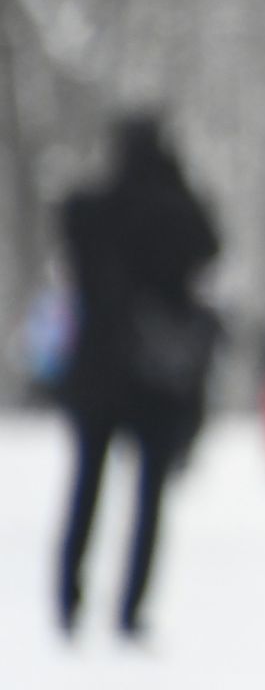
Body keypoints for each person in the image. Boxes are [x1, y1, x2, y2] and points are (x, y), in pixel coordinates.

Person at [54, 113, 221, 639]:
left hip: (98, 372)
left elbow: (71, 238)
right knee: (148, 498)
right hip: (155, 376)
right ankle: (129, 610)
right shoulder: (172, 210)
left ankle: (68, 598)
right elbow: (210, 245)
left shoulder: (91, 209)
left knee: (87, 487)